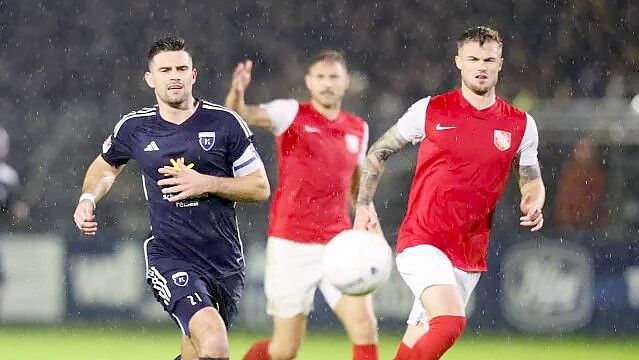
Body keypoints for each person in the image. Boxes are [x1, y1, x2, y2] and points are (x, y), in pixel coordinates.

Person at [353, 26, 546, 360]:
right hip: (422, 240)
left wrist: (534, 198)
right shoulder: (430, 110)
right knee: (449, 323)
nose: (481, 66)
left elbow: (530, 177)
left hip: (469, 250)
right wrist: (363, 204)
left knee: (416, 344)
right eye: (473, 58)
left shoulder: (521, 124)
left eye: (488, 59)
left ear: (501, 63)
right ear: (459, 62)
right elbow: (377, 153)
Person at [73, 36, 270, 360]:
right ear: (151, 79)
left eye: (181, 68)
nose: (174, 75)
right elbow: (105, 168)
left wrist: (207, 182)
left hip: (224, 261)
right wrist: (87, 199)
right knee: (216, 345)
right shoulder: (135, 127)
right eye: (165, 69)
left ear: (194, 75)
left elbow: (260, 188)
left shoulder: (225, 123)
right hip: (172, 255)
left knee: (197, 352)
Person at [225, 50, 378, 360]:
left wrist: (367, 214)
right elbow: (241, 114)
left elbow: (355, 184)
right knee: (284, 350)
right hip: (290, 243)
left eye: (333, 77)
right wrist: (237, 94)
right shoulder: (291, 113)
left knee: (364, 326)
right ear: (309, 82)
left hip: (339, 244)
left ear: (346, 82)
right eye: (320, 77)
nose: (327, 84)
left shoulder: (358, 128)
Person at [554, 136, 607, 233]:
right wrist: (566, 223)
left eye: (588, 149)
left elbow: (599, 203)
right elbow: (564, 202)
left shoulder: (597, 176)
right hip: (570, 227)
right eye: (581, 148)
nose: (585, 152)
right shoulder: (569, 173)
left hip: (591, 228)